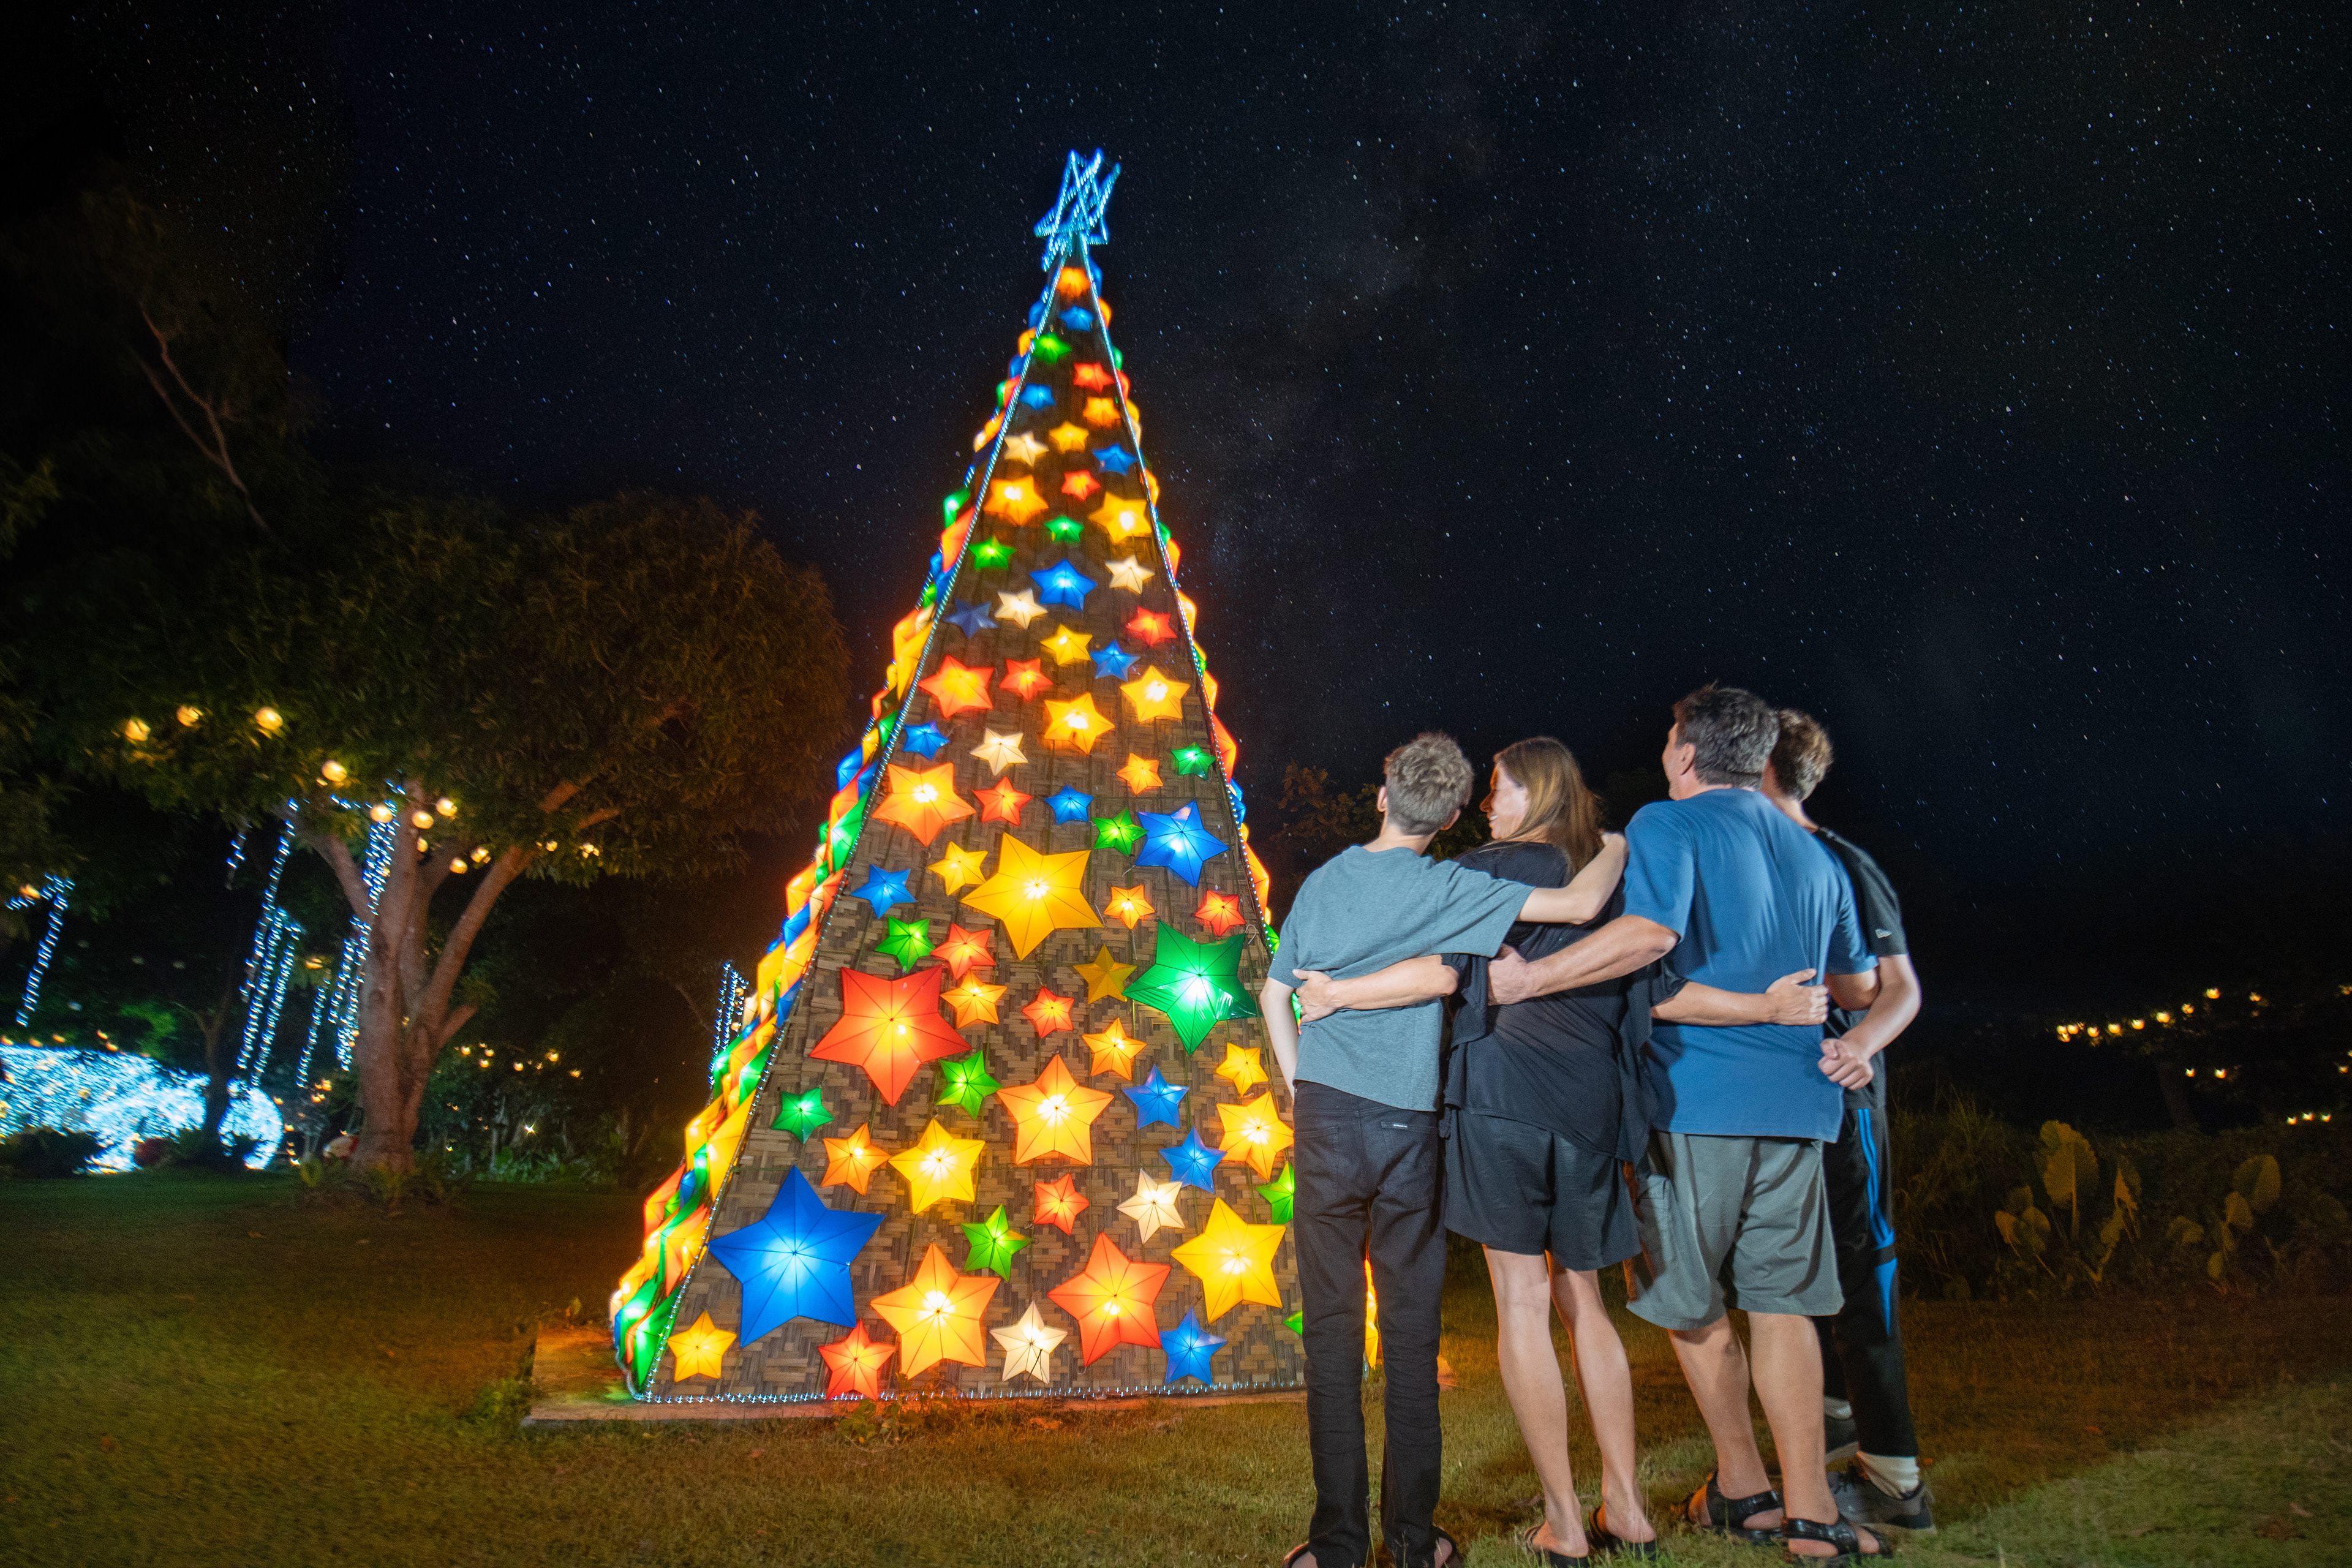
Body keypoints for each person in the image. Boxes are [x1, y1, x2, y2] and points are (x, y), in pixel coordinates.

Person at [1292, 737, 1836, 1564]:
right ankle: (1629, 1508)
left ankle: (1566, 1523)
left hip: (1496, 1099)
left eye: (1501, 789)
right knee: (1583, 1298)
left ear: (1534, 792)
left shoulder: (1475, 874)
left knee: (1521, 1299)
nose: (1488, 805)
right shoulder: (1613, 875)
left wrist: (1336, 999)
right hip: (1588, 1106)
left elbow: (1434, 975)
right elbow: (1648, 981)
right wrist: (1617, 847)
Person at [1477, 687, 1888, 1562]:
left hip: (1696, 1099)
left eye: (1669, 737)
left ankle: (1743, 1485)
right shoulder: (1819, 858)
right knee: (1784, 1308)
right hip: (1802, 1108)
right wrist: (1791, 1000)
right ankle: (1812, 1513)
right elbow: (1856, 990)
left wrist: (1529, 984)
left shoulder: (1672, 825)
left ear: (1688, 755)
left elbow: (1650, 941)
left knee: (1694, 1306)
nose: (1666, 750)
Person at [1257, 733, 1626, 1568]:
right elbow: (1576, 909)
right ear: (1455, 816)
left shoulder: (1323, 883)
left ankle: (1338, 1547)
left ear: (1383, 792)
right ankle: (1416, 1546)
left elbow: (1277, 994)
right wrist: (1615, 844)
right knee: (1413, 1343)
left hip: (1324, 1122)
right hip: (1405, 1132)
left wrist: (1301, 1087)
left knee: (1334, 1339)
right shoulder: (1453, 884)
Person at [1763, 710, 1933, 1533]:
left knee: (1863, 1266)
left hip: (1840, 1096)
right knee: (1798, 1270)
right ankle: (1834, 1424)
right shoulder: (1753, 863)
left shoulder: (1840, 861)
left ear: (1764, 770)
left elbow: (1896, 986)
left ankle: (1898, 1476)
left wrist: (1860, 1044)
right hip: (1773, 1100)